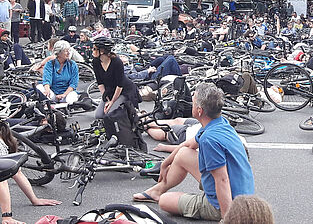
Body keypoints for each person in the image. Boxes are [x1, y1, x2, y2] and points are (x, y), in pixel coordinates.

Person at [133, 82, 255, 221]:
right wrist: (165, 164)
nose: (192, 103)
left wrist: (227, 219)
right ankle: (156, 190)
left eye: (193, 101)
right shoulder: (219, 123)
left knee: (164, 201)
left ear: (199, 110)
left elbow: (222, 180)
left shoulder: (209, 140)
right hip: (243, 195)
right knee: (183, 153)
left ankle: (166, 195)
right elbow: (188, 144)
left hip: (228, 204)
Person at [92, 37, 140, 120]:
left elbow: (119, 85)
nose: (92, 51)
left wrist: (112, 102)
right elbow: (100, 83)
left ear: (102, 51)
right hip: (110, 90)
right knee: (99, 115)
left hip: (124, 90)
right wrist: (107, 99)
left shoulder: (117, 62)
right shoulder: (95, 62)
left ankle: (127, 111)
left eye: (94, 49)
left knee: (110, 114)